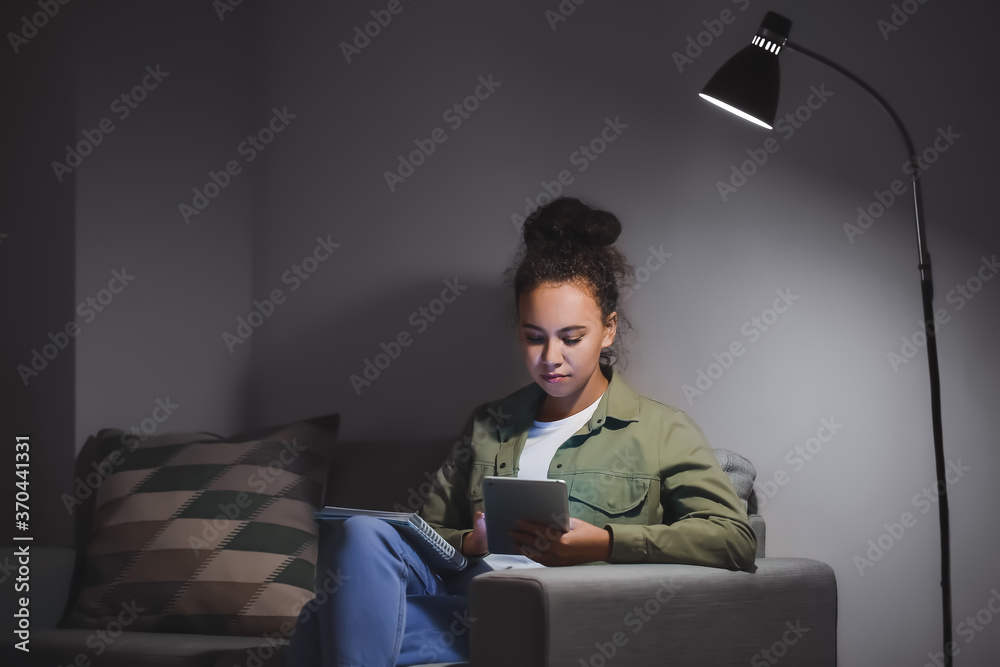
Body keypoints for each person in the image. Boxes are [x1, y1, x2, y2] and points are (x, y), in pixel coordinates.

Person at [288, 196, 757, 666]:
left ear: (608, 330)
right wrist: (470, 542)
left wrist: (607, 542)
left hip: (561, 614)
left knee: (319, 623)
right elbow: (429, 535)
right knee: (363, 532)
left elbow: (733, 539)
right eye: (534, 336)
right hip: (468, 599)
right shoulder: (489, 423)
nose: (550, 357)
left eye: (571, 338)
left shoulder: (659, 429)